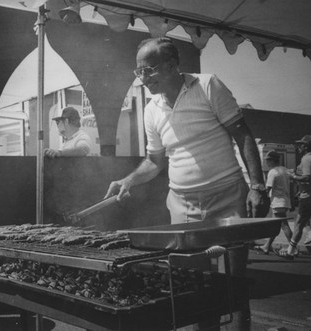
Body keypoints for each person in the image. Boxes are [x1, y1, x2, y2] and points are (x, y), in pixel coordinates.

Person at [104, 37, 269, 330]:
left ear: (172, 66)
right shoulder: (151, 109)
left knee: (232, 286)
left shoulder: (208, 86)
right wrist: (128, 180)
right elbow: (155, 161)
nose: (143, 78)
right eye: (139, 72)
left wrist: (257, 186)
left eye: (149, 70)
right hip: (182, 205)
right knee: (193, 291)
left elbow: (242, 134)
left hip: (226, 197)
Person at [275, 135, 311, 259]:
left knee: (299, 223)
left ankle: (291, 250)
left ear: (306, 146)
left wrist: (293, 177)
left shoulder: (306, 159)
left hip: (308, 197)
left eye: (301, 144)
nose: (299, 146)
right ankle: (307, 243)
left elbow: (307, 177)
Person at [253, 151, 293, 254]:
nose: (266, 162)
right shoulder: (285, 170)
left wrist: (256, 188)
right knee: (276, 225)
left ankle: (294, 247)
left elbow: (267, 189)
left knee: (283, 225)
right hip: (285, 200)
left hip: (278, 201)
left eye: (267, 160)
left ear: (271, 160)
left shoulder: (273, 172)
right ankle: (267, 246)